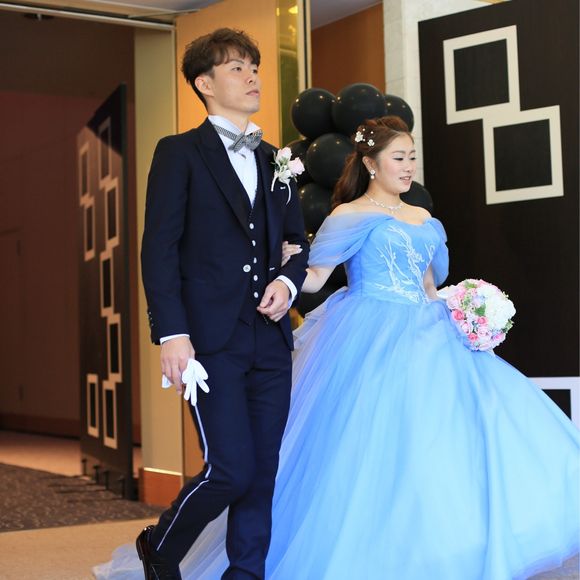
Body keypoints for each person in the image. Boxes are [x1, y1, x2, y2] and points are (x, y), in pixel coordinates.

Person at [96, 116, 579, 579]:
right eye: (398, 157)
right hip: (369, 333)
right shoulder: (349, 215)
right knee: (370, 450)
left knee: (451, 441)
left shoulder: (425, 218)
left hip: (430, 334)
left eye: (412, 157)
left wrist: (468, 311)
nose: (408, 166)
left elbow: (430, 287)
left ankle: (445, 548)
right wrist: (279, 272)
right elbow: (315, 277)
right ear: (371, 164)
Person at [133, 28, 309, 580]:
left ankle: (246, 575)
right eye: (237, 68)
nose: (253, 76)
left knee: (261, 473)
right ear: (205, 84)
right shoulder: (178, 153)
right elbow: (159, 249)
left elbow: (296, 243)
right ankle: (160, 546)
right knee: (230, 469)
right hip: (208, 341)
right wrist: (172, 333)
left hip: (270, 340)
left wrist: (287, 283)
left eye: (254, 67)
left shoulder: (277, 160)